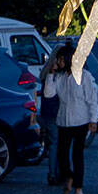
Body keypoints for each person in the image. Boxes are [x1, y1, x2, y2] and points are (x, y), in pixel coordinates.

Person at [42, 44, 98, 194]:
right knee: (62, 155)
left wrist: (94, 120)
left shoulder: (84, 76)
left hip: (81, 120)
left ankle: (78, 188)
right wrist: (51, 74)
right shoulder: (59, 77)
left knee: (77, 155)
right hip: (63, 121)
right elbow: (48, 94)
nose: (58, 62)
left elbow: (91, 99)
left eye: (60, 59)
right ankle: (69, 177)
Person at [40, 48, 63, 185]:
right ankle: (56, 173)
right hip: (56, 112)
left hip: (47, 112)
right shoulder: (55, 74)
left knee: (54, 143)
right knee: (58, 143)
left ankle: (53, 173)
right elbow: (51, 93)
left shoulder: (46, 71)